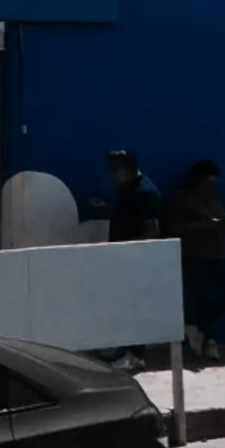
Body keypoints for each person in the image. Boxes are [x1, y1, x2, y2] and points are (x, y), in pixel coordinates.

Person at [89, 150, 163, 371]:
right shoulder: (129, 189)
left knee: (133, 308)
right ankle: (128, 352)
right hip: (123, 259)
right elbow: (131, 213)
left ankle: (134, 355)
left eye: (113, 172)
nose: (111, 177)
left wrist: (126, 249)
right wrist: (106, 208)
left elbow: (153, 230)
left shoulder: (145, 192)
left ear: (122, 171)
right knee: (125, 306)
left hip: (135, 261)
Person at [165, 160, 225, 360]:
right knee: (202, 297)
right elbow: (173, 228)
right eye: (206, 181)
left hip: (217, 253)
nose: (209, 186)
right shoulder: (182, 198)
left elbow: (220, 218)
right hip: (195, 254)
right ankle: (209, 340)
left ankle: (197, 328)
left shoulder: (215, 197)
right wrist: (202, 224)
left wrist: (224, 222)